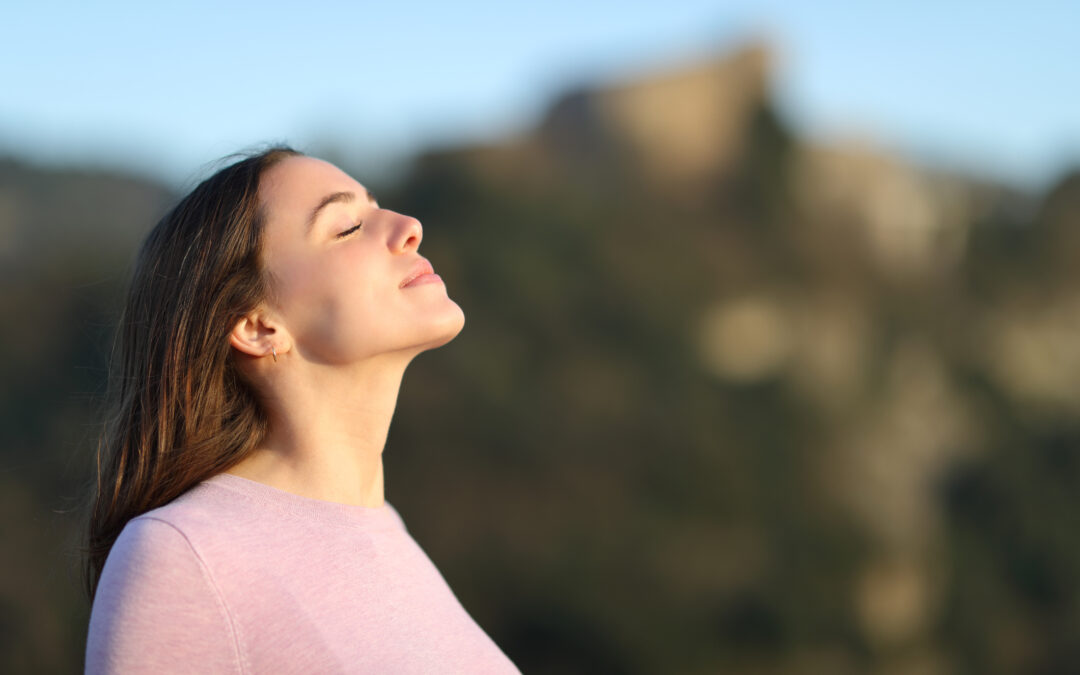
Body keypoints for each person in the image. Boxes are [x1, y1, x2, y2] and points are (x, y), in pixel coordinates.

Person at [82, 146, 521, 673]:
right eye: (347, 227)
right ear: (258, 326)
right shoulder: (186, 556)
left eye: (377, 206)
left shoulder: (389, 536)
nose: (409, 226)